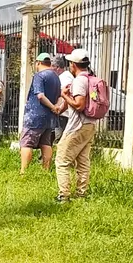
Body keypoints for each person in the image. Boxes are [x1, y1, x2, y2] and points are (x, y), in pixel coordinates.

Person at [54, 49, 99, 203]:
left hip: (78, 126)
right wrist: (62, 107)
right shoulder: (90, 77)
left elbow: (79, 105)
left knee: (62, 160)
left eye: (70, 63)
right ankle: (81, 194)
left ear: (74, 64)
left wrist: (63, 94)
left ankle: (64, 196)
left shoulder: (80, 80)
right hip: (90, 125)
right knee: (82, 160)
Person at [19, 53, 62, 175]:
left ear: (38, 63)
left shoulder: (39, 76)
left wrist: (52, 106)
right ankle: (46, 170)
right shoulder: (55, 76)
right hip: (49, 118)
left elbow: (40, 95)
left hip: (35, 116)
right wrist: (56, 107)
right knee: (46, 143)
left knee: (26, 143)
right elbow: (60, 96)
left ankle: (23, 172)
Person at [53, 55, 74, 142]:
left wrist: (58, 108)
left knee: (59, 137)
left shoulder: (65, 77)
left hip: (63, 113)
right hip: (62, 112)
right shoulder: (63, 77)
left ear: (57, 67)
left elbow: (64, 94)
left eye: (52, 66)